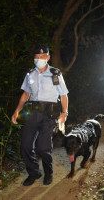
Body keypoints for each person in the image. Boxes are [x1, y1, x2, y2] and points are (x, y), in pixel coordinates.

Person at [11, 46, 69, 186]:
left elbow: (63, 95)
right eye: (37, 57)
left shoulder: (55, 73)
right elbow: (26, 94)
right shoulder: (30, 74)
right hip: (32, 113)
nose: (39, 59)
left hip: (49, 115)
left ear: (48, 57)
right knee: (25, 146)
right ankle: (34, 172)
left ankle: (48, 173)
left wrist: (64, 112)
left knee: (43, 148)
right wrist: (17, 110)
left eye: (42, 57)